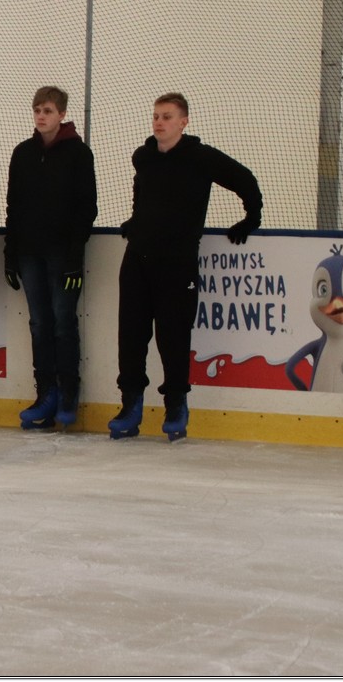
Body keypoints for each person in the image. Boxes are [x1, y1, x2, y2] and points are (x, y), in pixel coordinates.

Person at [112, 92, 262, 442]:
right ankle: (130, 405)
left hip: (177, 263)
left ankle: (176, 405)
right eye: (156, 116)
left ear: (183, 122)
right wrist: (136, 220)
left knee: (173, 336)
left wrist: (251, 217)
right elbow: (142, 193)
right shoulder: (143, 157)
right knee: (131, 336)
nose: (159, 122)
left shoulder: (200, 157)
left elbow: (244, 179)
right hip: (137, 260)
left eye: (167, 117)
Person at [3, 87, 97, 431]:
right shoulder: (23, 153)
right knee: (39, 323)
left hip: (62, 255)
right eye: (37, 110)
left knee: (62, 322)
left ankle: (68, 393)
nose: (41, 116)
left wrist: (74, 256)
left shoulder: (78, 154)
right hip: (29, 253)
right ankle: (46, 393)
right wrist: (10, 253)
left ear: (61, 114)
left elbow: (86, 207)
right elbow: (14, 206)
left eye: (47, 111)